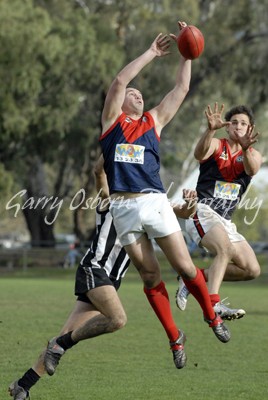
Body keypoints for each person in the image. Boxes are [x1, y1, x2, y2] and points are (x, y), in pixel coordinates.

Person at [8, 156, 198, 400]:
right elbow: (99, 171)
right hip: (94, 269)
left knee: (65, 334)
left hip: (109, 282)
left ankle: (23, 386)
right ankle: (59, 345)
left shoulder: (151, 205)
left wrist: (191, 205)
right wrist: (116, 143)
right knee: (117, 319)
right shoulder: (111, 199)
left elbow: (182, 212)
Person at [99, 20, 230, 372]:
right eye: (133, 94)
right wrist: (151, 53)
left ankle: (211, 316)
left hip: (154, 202)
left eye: (141, 94)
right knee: (149, 277)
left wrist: (187, 53)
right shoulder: (112, 123)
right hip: (123, 207)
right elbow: (118, 82)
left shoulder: (153, 122)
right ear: (120, 102)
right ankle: (175, 337)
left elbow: (181, 88)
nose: (137, 95)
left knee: (185, 266)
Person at [175, 102, 262, 319]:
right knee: (224, 248)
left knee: (252, 270)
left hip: (225, 220)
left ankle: (192, 278)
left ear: (250, 128)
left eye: (243, 123)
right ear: (226, 127)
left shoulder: (253, 155)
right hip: (201, 211)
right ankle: (213, 306)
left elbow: (252, 169)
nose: (238, 127)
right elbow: (199, 153)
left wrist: (244, 148)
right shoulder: (216, 144)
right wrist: (210, 129)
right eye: (234, 123)